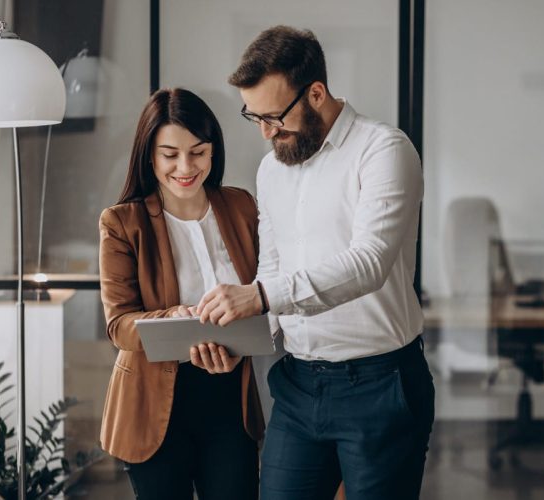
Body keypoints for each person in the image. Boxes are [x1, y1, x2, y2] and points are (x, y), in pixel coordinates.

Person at [194, 26, 434, 499]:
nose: (266, 132)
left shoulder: (384, 151)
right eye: (254, 117)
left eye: (274, 117)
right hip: (299, 384)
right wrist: (243, 335)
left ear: (316, 94)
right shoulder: (271, 169)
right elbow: (273, 268)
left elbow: (369, 262)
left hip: (380, 384)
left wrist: (260, 297)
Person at [98, 88, 264, 500]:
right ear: (149, 156)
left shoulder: (241, 207)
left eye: (198, 152)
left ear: (213, 151)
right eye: (170, 155)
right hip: (152, 405)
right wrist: (173, 319)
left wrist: (240, 339)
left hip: (229, 398)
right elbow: (119, 325)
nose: (186, 167)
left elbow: (266, 292)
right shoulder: (122, 222)